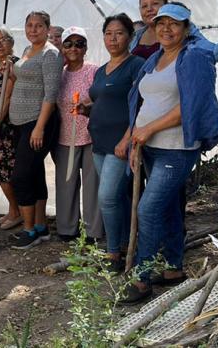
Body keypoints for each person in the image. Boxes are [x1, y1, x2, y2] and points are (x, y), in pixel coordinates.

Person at [122, 3, 218, 304]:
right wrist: (136, 139)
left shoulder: (194, 57)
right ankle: (172, 269)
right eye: (160, 23)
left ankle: (142, 279)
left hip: (177, 149)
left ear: (186, 28)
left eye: (174, 23)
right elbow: (143, 102)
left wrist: (149, 128)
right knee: (165, 210)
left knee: (148, 209)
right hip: (149, 147)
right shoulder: (155, 58)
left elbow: (190, 106)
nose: (166, 29)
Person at [82, 13, 144, 271]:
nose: (113, 38)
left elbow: (142, 105)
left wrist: (127, 140)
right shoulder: (100, 70)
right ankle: (123, 245)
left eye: (119, 33)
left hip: (120, 144)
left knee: (106, 196)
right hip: (99, 142)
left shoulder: (136, 65)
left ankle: (113, 253)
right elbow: (102, 100)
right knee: (115, 198)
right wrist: (87, 109)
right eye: (108, 33)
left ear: (130, 37)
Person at [7, 11, 63, 250]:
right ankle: (41, 227)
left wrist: (39, 128)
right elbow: (22, 76)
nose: (33, 30)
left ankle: (28, 230)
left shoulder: (51, 54)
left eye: (38, 26)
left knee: (20, 176)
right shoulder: (28, 50)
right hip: (21, 124)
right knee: (35, 173)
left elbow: (51, 94)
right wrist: (11, 68)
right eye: (29, 25)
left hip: (37, 123)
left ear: (47, 28)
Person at [52, 27, 102, 242]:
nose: (73, 48)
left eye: (79, 43)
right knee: (66, 183)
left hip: (90, 136)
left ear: (86, 47)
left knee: (92, 186)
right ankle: (67, 228)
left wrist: (88, 105)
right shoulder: (58, 73)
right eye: (68, 44)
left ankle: (93, 231)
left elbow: (103, 97)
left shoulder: (94, 70)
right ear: (62, 47)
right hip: (65, 137)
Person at [0, 25, 21, 229]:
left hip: (7, 126)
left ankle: (16, 212)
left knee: (4, 170)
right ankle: (13, 209)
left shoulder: (13, 65)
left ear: (12, 43)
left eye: (3, 40)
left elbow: (8, 97)